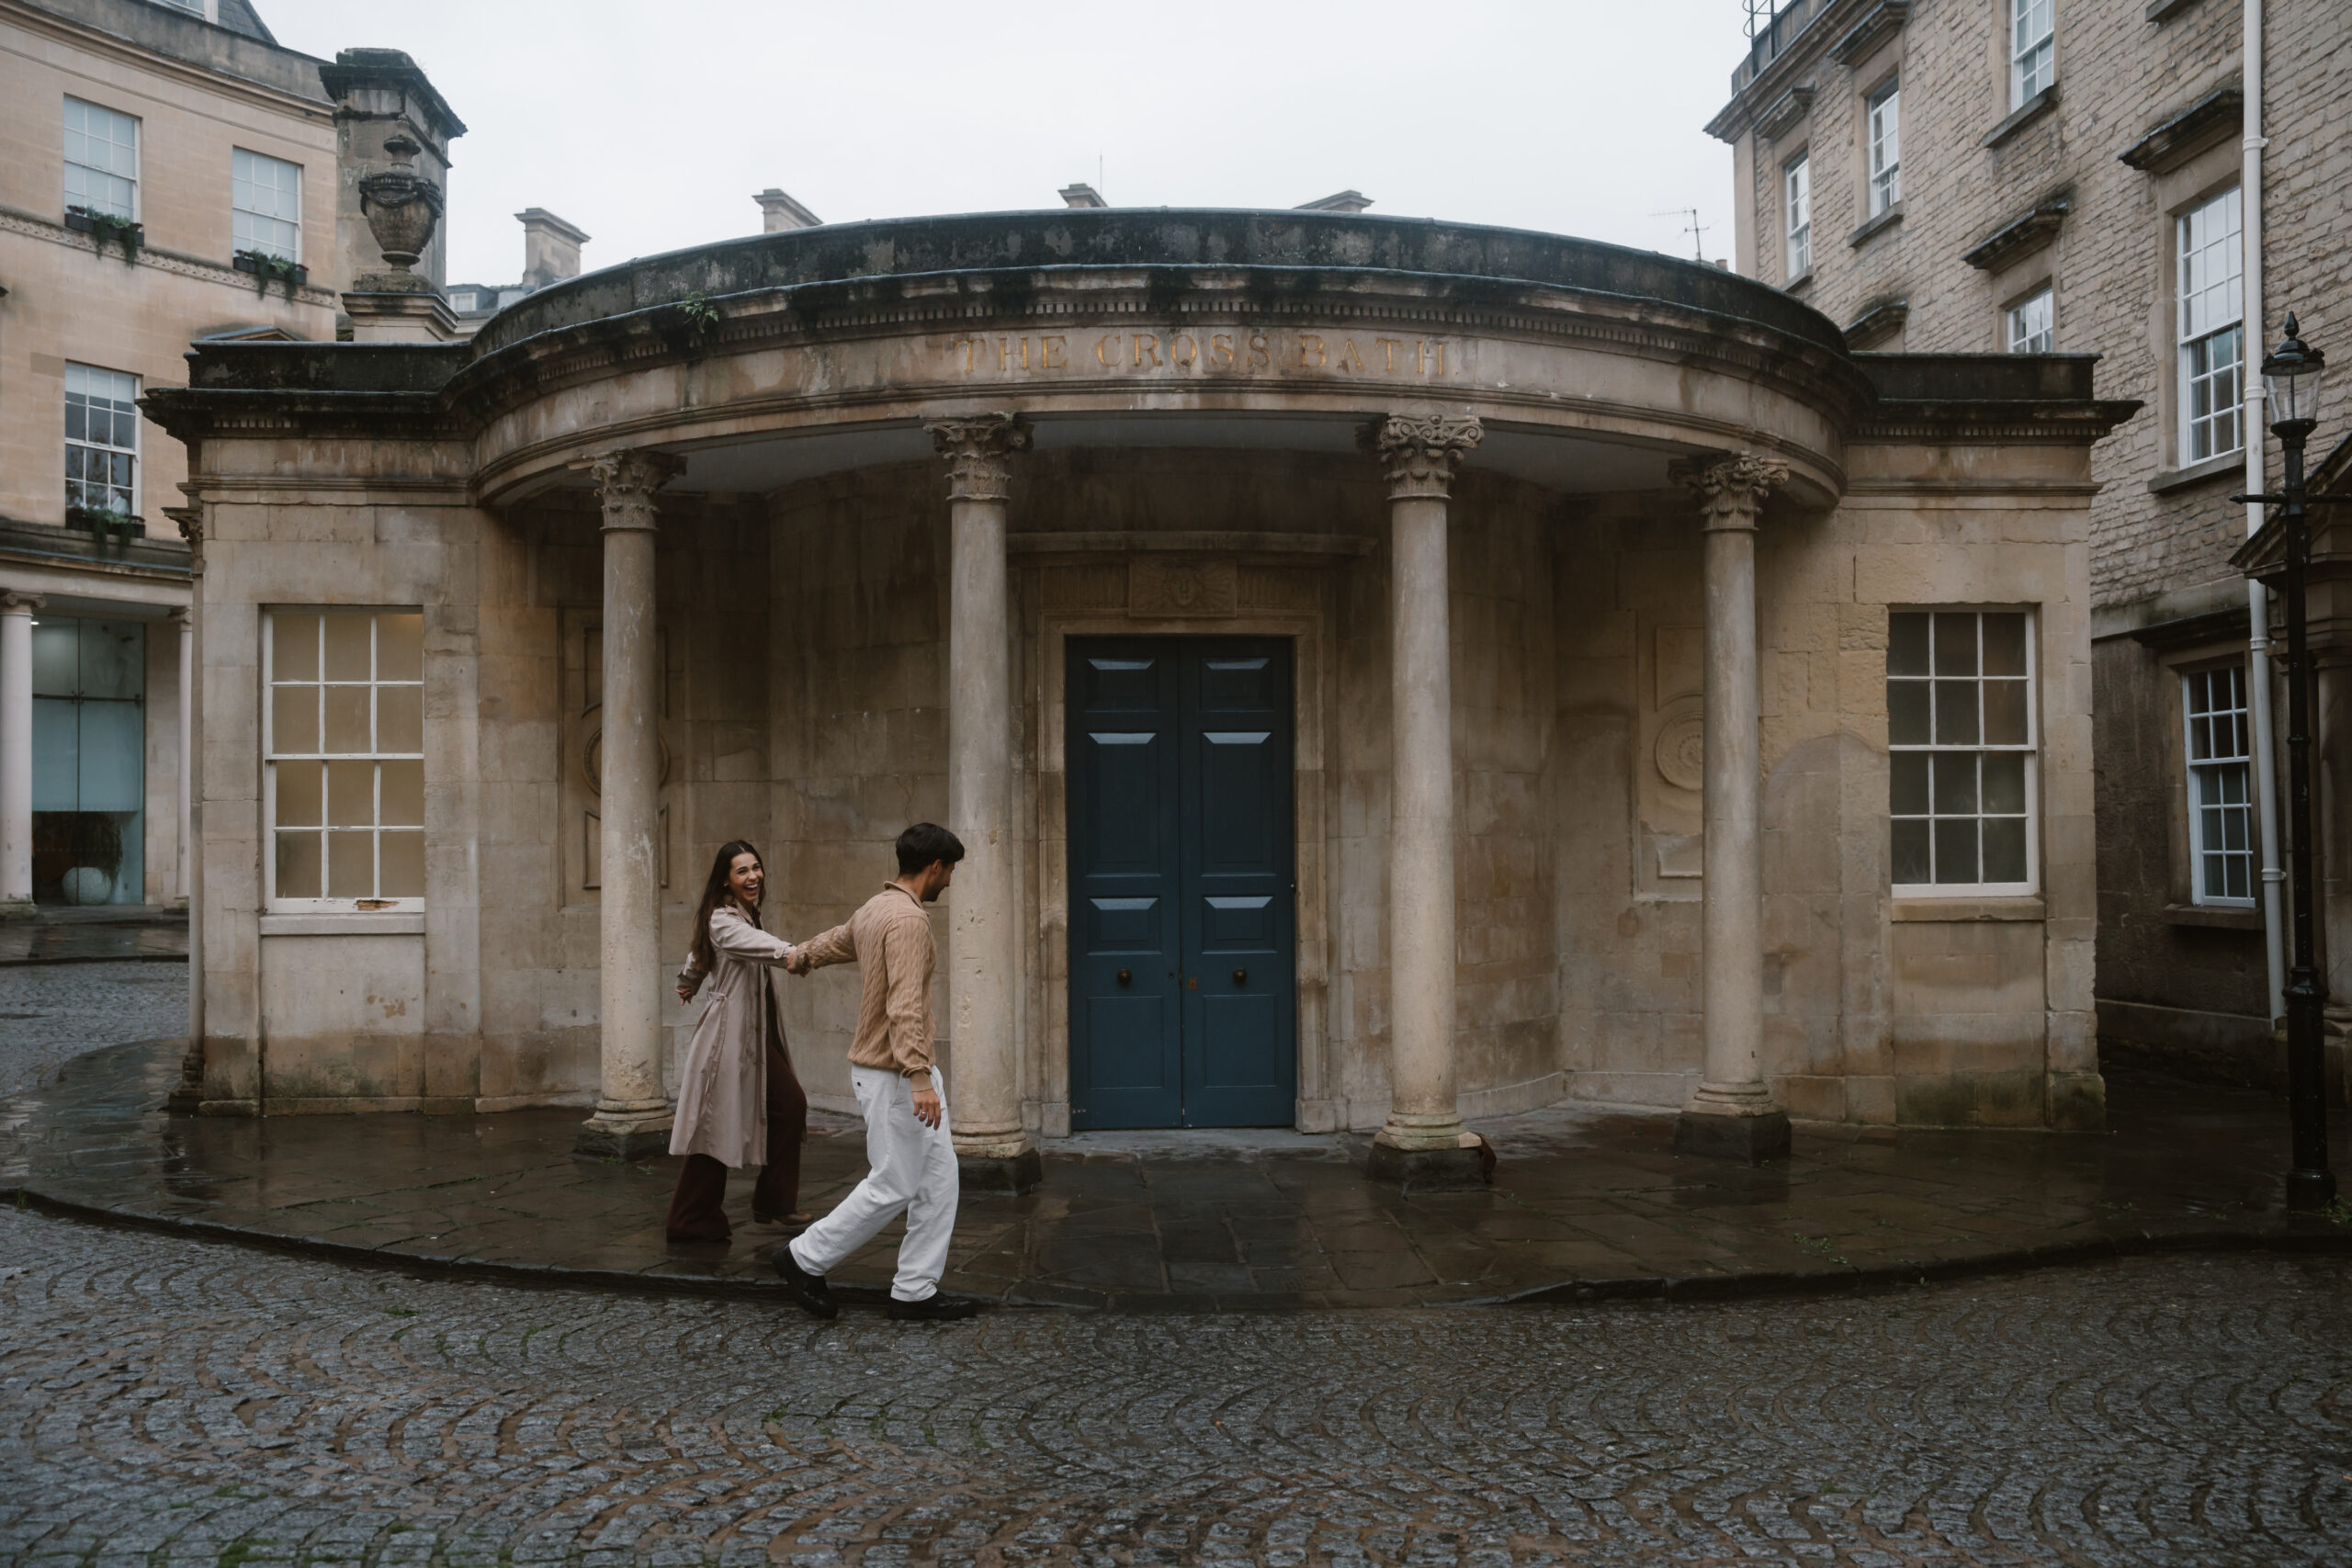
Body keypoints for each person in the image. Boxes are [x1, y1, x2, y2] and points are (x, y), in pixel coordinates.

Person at [772, 822, 975, 1322]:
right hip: (895, 1074)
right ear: (934, 867)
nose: (949, 881)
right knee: (894, 1183)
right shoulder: (907, 920)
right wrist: (919, 1077)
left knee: (940, 1179)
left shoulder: (876, 907)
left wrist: (801, 957)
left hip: (896, 1071)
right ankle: (803, 1258)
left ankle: (915, 1290)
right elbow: (903, 1005)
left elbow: (839, 941)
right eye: (949, 871)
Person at [665, 840, 811, 1244]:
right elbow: (747, 945)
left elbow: (699, 956)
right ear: (726, 882)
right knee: (713, 1125)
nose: (753, 877)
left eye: (756, 868)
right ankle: (688, 1220)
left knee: (789, 1106)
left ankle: (775, 1201)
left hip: (755, 1033)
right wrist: (795, 953)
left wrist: (688, 980)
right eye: (742, 871)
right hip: (727, 1037)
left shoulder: (744, 914)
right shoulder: (723, 920)